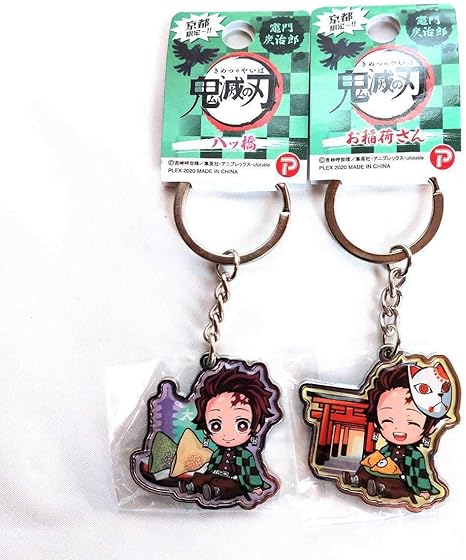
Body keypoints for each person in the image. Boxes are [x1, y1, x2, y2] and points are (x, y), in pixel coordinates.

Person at [343, 361, 452, 503]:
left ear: (429, 427)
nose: (398, 429)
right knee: (367, 469)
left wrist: (424, 490)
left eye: (412, 423)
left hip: (402, 480)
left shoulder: (416, 455)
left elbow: (421, 474)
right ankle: (357, 479)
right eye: (388, 421)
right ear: (377, 422)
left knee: (395, 486)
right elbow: (378, 458)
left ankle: (380, 489)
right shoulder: (386, 449)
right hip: (382, 472)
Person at [179, 362, 277, 502]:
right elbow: (211, 468)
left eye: (241, 425)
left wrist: (256, 486)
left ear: (256, 427)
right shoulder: (217, 453)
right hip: (216, 476)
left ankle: (215, 491)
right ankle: (192, 487)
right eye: (216, 425)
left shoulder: (245, 455)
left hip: (235, 480)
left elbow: (252, 472)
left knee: (229, 486)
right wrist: (205, 477)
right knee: (202, 478)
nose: (227, 434)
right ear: (206, 427)